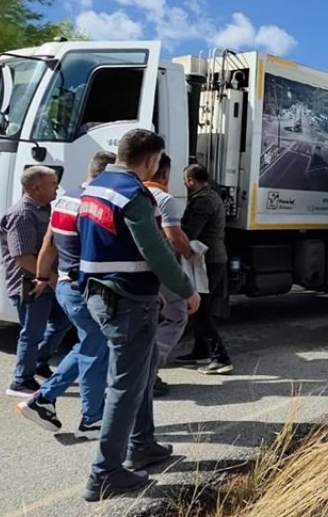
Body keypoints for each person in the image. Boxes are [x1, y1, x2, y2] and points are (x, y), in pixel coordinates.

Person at [77, 130, 200, 501]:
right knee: (126, 386)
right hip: (127, 300)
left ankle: (142, 444)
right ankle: (105, 473)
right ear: (150, 160)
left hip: (102, 293)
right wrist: (186, 289)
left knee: (143, 374)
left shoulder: (95, 188)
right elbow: (157, 251)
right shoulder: (133, 195)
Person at [15, 152, 116, 435]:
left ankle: (44, 399)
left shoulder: (64, 200)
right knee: (96, 349)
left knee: (89, 345)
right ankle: (91, 416)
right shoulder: (95, 204)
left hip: (64, 286)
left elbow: (49, 245)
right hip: (85, 288)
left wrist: (42, 277)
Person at [0, 165, 71, 397]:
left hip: (50, 280)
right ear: (36, 187)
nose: (57, 189)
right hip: (30, 283)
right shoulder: (22, 214)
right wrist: (49, 278)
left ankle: (39, 362)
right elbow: (22, 256)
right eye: (52, 184)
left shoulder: (46, 208)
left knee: (61, 321)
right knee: (32, 332)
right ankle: (21, 380)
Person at [143, 153, 195, 396]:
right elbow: (173, 237)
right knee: (176, 316)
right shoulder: (163, 198)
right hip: (158, 268)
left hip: (130, 271)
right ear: (164, 173)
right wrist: (190, 253)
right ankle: (148, 372)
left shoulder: (130, 193)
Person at [175, 164, 233, 375]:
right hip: (212, 258)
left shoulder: (203, 201)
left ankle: (220, 357)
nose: (184, 184)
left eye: (185, 180)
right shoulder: (212, 196)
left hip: (206, 260)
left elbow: (191, 232)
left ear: (191, 180)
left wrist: (172, 231)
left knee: (199, 309)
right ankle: (201, 351)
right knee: (201, 307)